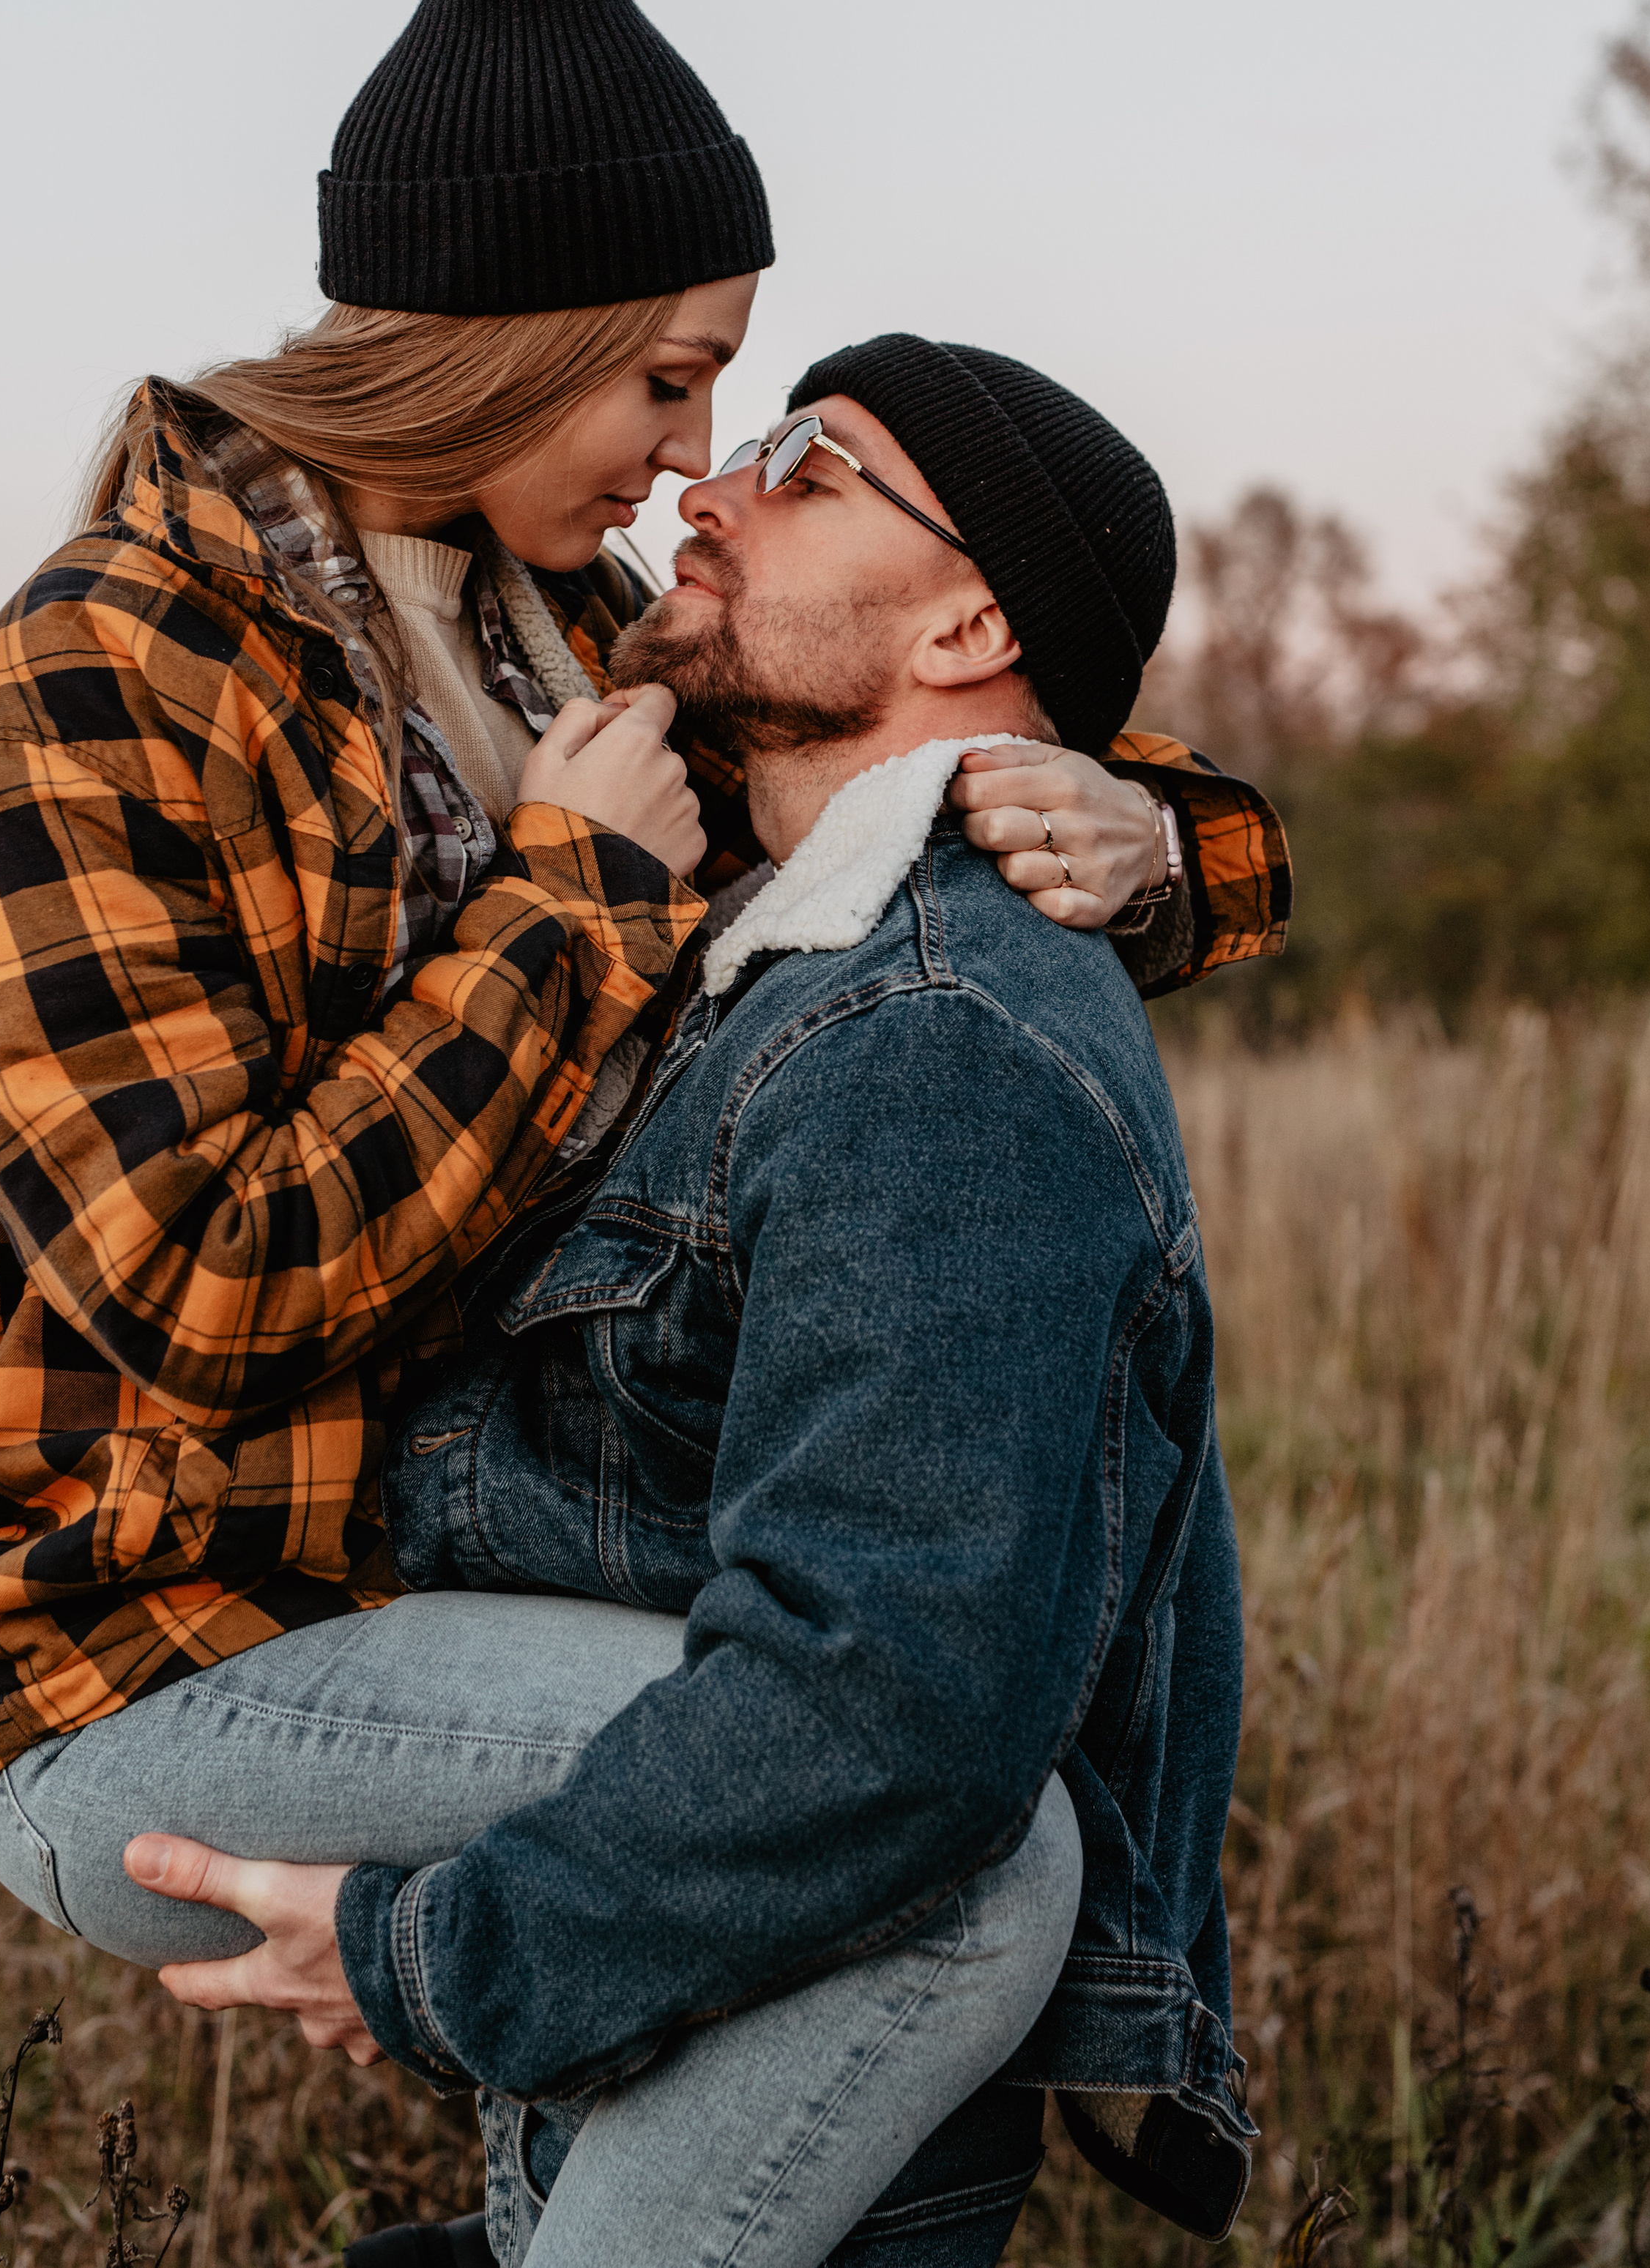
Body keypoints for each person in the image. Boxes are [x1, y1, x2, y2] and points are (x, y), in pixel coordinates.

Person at [0, 0, 1285, 2261]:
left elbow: (917, 712)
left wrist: (1168, 847)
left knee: (856, 1845)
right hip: (165, 1641)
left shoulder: (537, 637)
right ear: (504, 347)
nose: (685, 464)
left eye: (736, 409)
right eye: (667, 381)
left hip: (447, 1571)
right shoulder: (102, 684)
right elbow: (196, 1294)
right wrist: (551, 907)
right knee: (937, 1862)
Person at [120, 336, 1257, 2268]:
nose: (702, 491)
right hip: (701, 2030)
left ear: (973, 610)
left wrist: (426, 1957)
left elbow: (888, 1711)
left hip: (824, 2074)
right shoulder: (763, 957)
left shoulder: (939, 1029)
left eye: (806, 464)